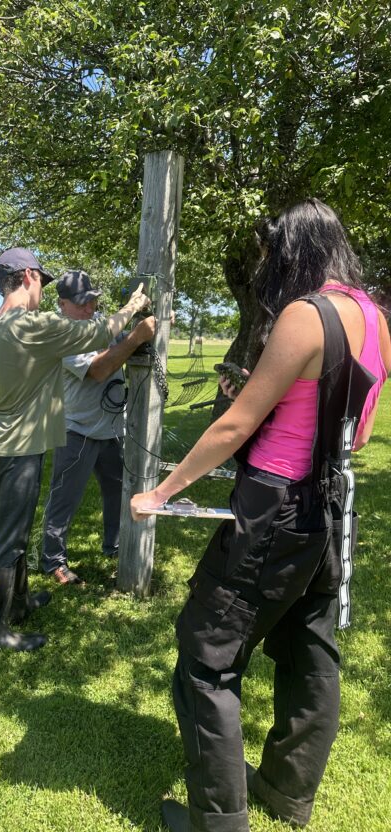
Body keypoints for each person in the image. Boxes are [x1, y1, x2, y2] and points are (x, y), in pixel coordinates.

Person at [130, 199, 391, 832]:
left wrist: (161, 493)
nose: (270, 266)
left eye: (274, 253)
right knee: (311, 651)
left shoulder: (304, 314)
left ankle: (217, 822)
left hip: (271, 510)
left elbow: (238, 425)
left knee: (205, 653)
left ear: (294, 251)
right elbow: (355, 433)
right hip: (328, 507)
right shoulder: (375, 317)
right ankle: (285, 792)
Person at [0, 247, 150, 652]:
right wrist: (135, 305)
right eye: (42, 282)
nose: (43, 291)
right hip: (18, 450)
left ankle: (18, 603)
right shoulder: (32, 325)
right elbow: (100, 334)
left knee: (11, 532)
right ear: (28, 276)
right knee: (6, 542)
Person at [41, 270, 156, 585]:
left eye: (93, 301)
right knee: (64, 498)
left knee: (118, 492)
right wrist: (135, 338)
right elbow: (98, 370)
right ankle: (53, 562)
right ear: (62, 304)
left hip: (112, 430)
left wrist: (148, 320)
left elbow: (121, 337)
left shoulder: (100, 322)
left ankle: (115, 546)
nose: (90, 308)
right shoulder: (60, 332)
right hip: (76, 430)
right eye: (82, 303)